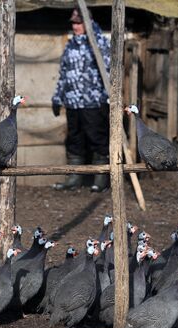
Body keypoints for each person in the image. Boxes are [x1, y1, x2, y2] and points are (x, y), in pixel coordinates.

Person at [51, 8, 111, 193]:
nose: (75, 26)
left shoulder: (99, 43)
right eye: (73, 23)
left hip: (93, 101)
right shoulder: (70, 45)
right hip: (72, 102)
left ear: (88, 22)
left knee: (97, 139)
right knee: (74, 140)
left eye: (79, 23)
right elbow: (63, 74)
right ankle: (74, 177)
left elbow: (109, 70)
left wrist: (109, 96)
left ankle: (101, 178)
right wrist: (57, 97)